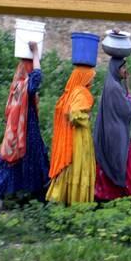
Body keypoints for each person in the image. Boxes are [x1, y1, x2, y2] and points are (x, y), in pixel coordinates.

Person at [0, 42, 49, 212]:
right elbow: (37, 79)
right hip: (26, 130)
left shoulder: (17, 84)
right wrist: (35, 54)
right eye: (31, 66)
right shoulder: (25, 85)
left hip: (18, 131)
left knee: (15, 161)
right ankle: (41, 201)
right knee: (30, 161)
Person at [94, 57, 131, 201]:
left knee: (110, 165)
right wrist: (129, 88)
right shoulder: (115, 87)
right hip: (117, 135)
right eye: (122, 67)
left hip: (109, 132)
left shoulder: (110, 83)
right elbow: (127, 111)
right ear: (116, 69)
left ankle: (109, 197)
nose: (125, 70)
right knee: (126, 167)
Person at [46, 66, 96, 205]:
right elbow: (74, 114)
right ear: (83, 77)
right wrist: (87, 117)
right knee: (79, 165)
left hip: (70, 137)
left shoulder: (70, 92)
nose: (92, 79)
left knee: (70, 167)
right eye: (90, 76)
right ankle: (77, 203)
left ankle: (60, 201)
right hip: (79, 137)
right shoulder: (81, 92)